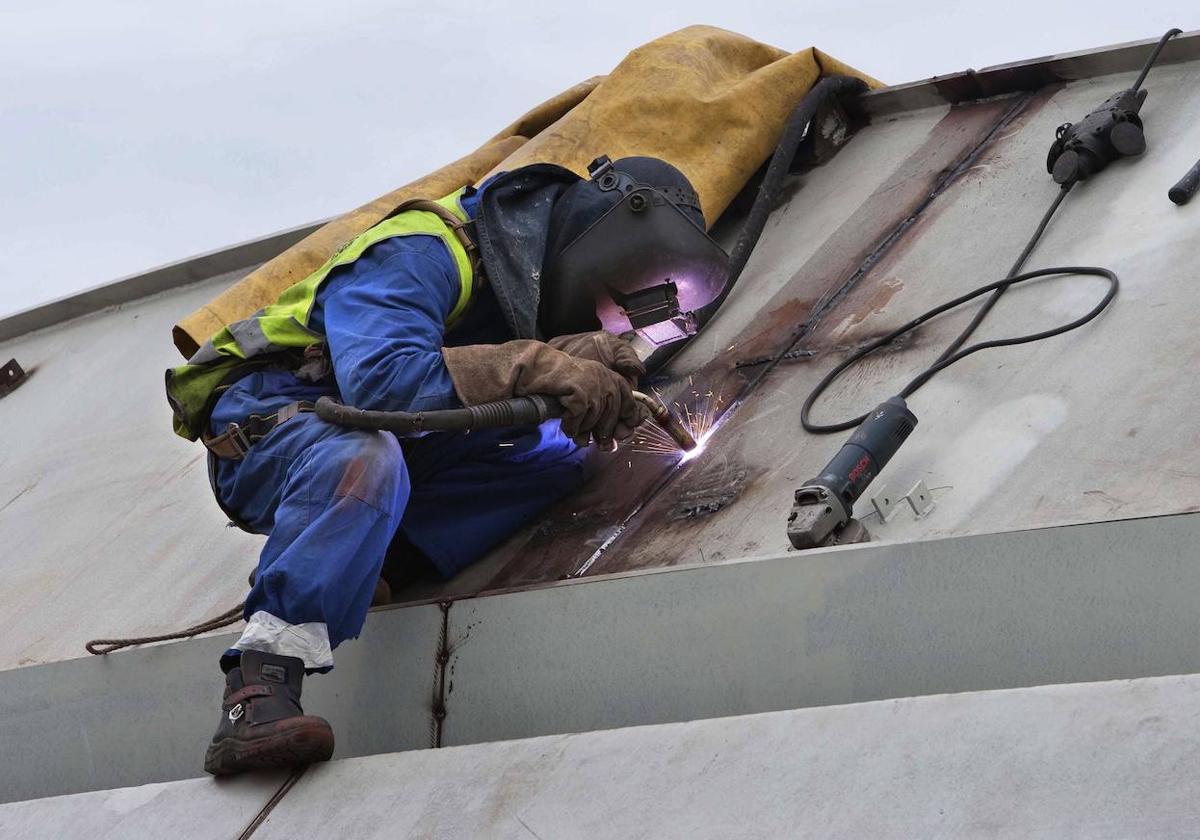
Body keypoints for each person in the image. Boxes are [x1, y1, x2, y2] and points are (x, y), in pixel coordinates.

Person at [165, 155, 722, 776]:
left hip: (399, 435)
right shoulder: (426, 248)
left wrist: (574, 368)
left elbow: (471, 379)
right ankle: (258, 688)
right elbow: (384, 384)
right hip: (275, 419)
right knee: (362, 454)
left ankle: (381, 560)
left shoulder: (522, 288)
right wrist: (538, 366)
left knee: (559, 448)